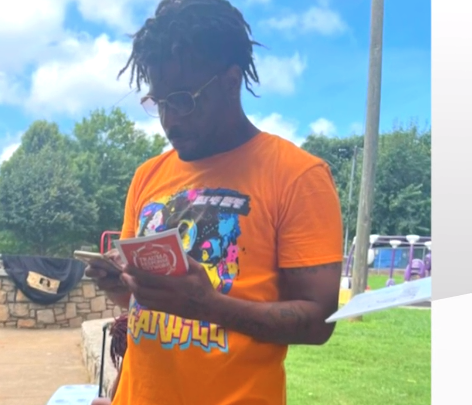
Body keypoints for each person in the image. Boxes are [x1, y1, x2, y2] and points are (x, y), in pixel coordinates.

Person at [85, 0, 344, 404]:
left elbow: (318, 322)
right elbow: (140, 313)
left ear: (231, 81)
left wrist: (210, 306)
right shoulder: (147, 176)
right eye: (159, 102)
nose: (169, 121)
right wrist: (123, 286)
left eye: (183, 100)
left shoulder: (297, 176)